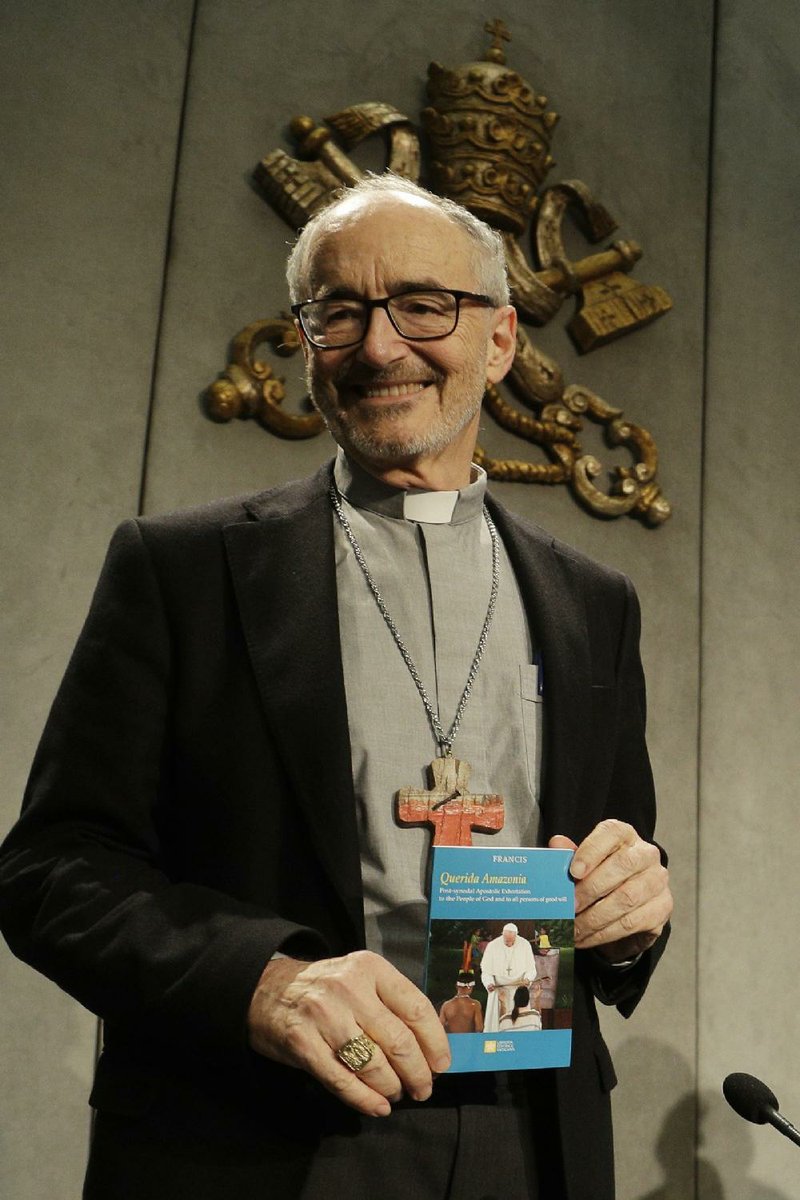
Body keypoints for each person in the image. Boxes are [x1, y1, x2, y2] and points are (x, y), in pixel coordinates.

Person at [0, 174, 672, 1200]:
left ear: (498, 343)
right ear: (305, 340)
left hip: (527, 1138)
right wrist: (264, 983)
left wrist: (631, 919)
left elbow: (614, 873)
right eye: (337, 313)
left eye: (422, 304)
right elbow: (54, 871)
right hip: (258, 1139)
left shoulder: (593, 601)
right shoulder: (181, 569)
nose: (378, 346)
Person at [480, 923, 537, 1031]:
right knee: (496, 1027)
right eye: (506, 940)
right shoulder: (493, 945)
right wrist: (489, 983)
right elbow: (486, 971)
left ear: (516, 936)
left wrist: (527, 979)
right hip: (499, 990)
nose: (509, 943)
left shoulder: (525, 945)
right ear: (502, 935)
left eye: (511, 941)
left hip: (518, 990)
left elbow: (531, 969)